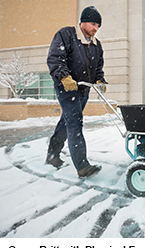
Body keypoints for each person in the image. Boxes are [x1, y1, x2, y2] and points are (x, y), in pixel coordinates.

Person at [45, 6, 107, 178]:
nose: (96, 28)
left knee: (66, 122)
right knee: (75, 123)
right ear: (83, 22)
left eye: (98, 26)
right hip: (66, 88)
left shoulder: (96, 45)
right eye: (93, 24)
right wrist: (64, 77)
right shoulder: (66, 35)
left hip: (83, 89)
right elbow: (55, 58)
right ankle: (82, 166)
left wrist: (100, 80)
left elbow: (98, 66)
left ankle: (52, 155)